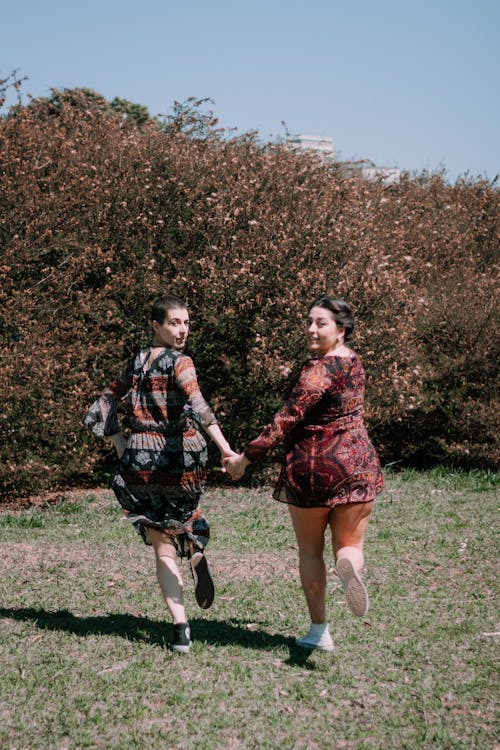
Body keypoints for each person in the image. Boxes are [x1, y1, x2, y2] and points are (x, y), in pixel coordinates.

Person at [224, 295, 384, 653]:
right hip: (356, 465)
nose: (311, 329)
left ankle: (319, 631)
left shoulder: (318, 369)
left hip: (314, 470)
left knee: (311, 552)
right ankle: (348, 567)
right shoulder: (354, 362)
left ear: (341, 330)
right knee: (350, 546)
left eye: (321, 323)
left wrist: (245, 458)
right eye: (309, 321)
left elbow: (286, 419)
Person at [84, 294, 236, 653]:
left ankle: (181, 629)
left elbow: (103, 405)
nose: (182, 330)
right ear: (156, 324)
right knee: (186, 517)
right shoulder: (181, 362)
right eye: (174, 323)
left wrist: (123, 446)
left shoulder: (136, 361)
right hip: (182, 457)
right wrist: (226, 448)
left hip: (142, 462)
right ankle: (195, 546)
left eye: (186, 323)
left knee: (160, 546)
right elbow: (198, 405)